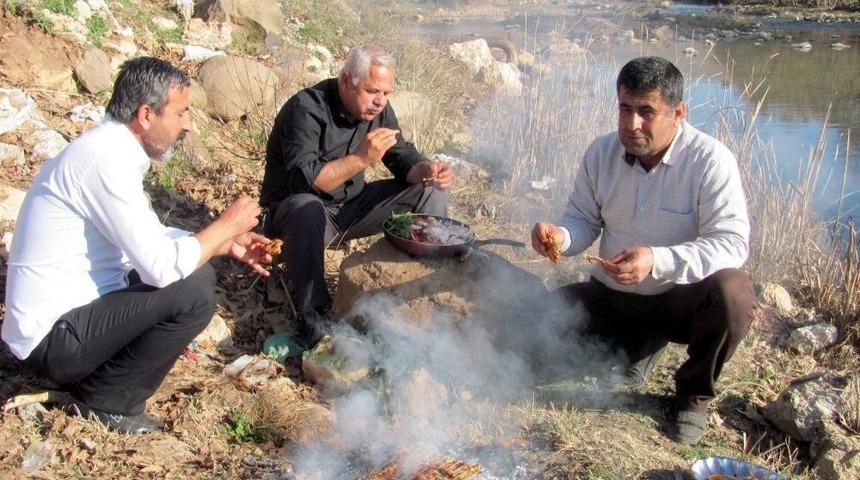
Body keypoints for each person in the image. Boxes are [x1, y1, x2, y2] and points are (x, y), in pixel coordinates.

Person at [2, 57, 273, 434]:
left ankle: (99, 382)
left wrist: (223, 241)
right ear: (146, 114)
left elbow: (142, 242)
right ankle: (106, 399)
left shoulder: (109, 152)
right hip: (53, 341)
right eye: (181, 113)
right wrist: (225, 224)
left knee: (193, 271)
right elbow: (160, 268)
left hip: (70, 324)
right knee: (192, 290)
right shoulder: (103, 161)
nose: (189, 125)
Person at [531, 56, 756, 445]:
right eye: (625, 109)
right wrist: (559, 236)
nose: (632, 124)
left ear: (678, 112)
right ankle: (636, 347)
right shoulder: (601, 153)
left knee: (733, 293)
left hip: (673, 301)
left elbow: (732, 243)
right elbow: (583, 220)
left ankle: (692, 397)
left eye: (646, 112)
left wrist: (657, 260)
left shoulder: (709, 161)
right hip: (610, 295)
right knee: (532, 339)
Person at [261, 45, 453, 346]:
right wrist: (362, 159)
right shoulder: (307, 108)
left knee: (425, 193)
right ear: (346, 79)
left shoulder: (379, 111)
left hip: (350, 209)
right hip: (297, 219)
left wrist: (425, 169)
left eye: (387, 93)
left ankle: (422, 288)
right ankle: (315, 313)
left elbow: (401, 156)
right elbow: (306, 182)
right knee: (307, 206)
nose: (380, 101)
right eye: (372, 90)